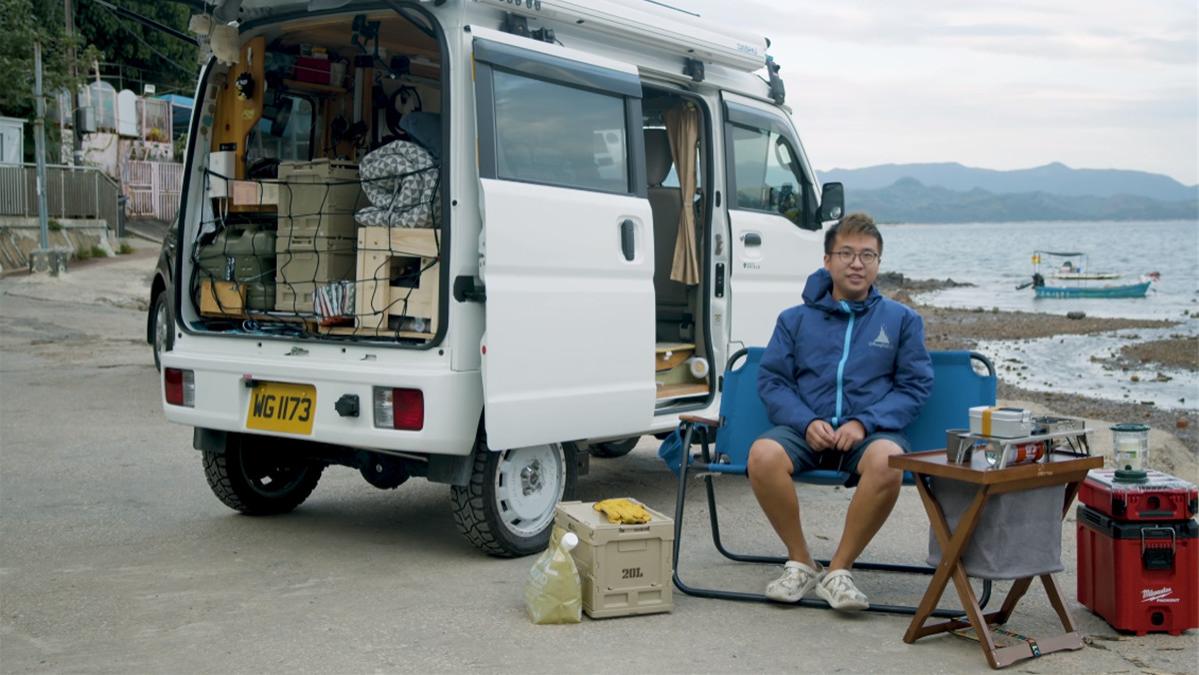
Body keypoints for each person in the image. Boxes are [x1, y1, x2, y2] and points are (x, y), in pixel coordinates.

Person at [748, 212, 933, 611]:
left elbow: (914, 387)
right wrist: (805, 421)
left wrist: (865, 422)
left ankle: (838, 570)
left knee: (889, 460)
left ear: (878, 264)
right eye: (846, 253)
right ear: (827, 261)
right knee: (762, 455)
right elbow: (773, 381)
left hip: (867, 433)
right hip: (805, 429)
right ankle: (800, 560)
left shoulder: (902, 321)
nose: (856, 263)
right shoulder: (794, 320)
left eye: (868, 255)